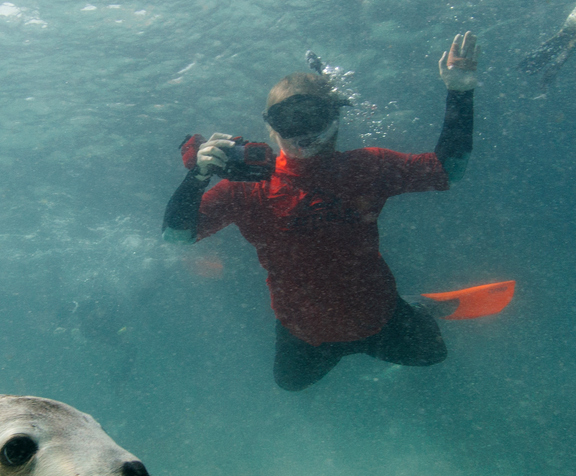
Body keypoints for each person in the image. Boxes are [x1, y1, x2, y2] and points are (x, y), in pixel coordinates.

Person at [163, 32, 478, 390]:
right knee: (289, 384)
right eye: (289, 120)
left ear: (334, 118)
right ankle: (411, 310)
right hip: (307, 334)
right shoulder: (246, 187)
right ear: (270, 126)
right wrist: (197, 177)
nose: (302, 134)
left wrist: (460, 90)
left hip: (378, 318)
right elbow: (175, 238)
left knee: (434, 355)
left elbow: (446, 171)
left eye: (312, 117)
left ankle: (417, 308)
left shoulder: (368, 167)